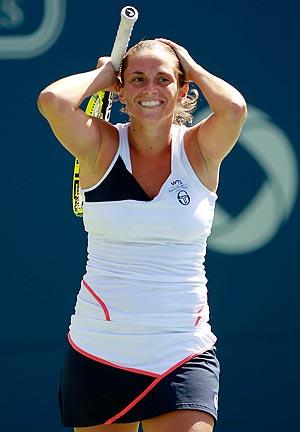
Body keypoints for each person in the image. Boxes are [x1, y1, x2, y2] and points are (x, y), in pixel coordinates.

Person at [38, 38, 247, 432]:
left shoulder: (200, 148)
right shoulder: (100, 145)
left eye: (164, 79)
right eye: (136, 79)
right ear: (121, 89)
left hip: (183, 350)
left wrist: (192, 66)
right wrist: (102, 77)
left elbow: (234, 108)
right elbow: (52, 101)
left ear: (183, 90)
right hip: (100, 348)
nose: (150, 90)